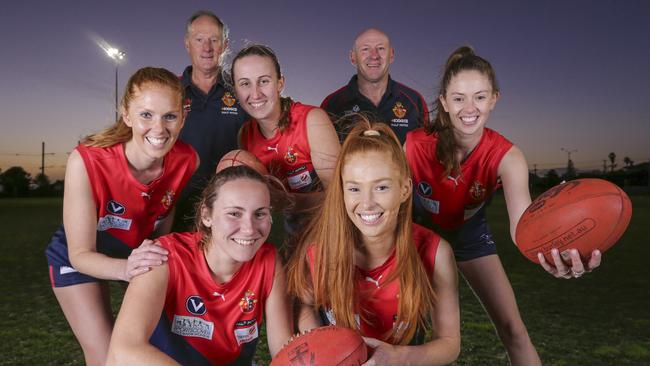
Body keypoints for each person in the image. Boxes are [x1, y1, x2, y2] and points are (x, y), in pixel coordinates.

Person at [405, 46, 603, 365]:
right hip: (419, 234)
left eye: (480, 97)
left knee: (514, 330)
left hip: (469, 235)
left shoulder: (508, 156)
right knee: (407, 331)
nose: (470, 108)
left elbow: (523, 228)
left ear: (495, 98)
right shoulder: (415, 144)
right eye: (459, 98)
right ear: (444, 101)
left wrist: (558, 251)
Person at [44, 67, 198, 365]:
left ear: (183, 118)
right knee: (105, 357)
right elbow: (79, 254)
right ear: (126, 114)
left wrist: (155, 269)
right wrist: (127, 269)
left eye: (170, 116)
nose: (159, 128)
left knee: (163, 347)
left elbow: (162, 231)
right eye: (146, 115)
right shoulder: (87, 160)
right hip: (79, 258)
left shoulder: (187, 159)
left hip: (134, 256)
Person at [288, 121, 460, 366]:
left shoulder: (434, 252)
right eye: (355, 188)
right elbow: (304, 303)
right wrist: (318, 343)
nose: (367, 203)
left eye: (381, 187)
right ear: (343, 192)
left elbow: (450, 342)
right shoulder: (319, 251)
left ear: (404, 189)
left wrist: (397, 358)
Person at [107, 165, 292, 365]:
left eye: (260, 214)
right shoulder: (163, 257)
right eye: (234, 214)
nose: (249, 229)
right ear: (207, 215)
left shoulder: (269, 262)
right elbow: (122, 352)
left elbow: (283, 351)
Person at [232, 44, 340, 234]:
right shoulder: (246, 135)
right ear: (236, 90)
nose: (255, 94)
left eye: (264, 81)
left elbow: (342, 195)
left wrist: (289, 201)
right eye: (245, 83)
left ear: (280, 83)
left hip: (331, 231)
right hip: (290, 233)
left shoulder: (312, 120)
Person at [174, 10, 249, 230]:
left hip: (230, 205)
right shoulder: (171, 90)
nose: (207, 48)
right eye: (199, 40)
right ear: (188, 44)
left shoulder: (241, 89)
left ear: (224, 45)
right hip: (176, 203)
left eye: (214, 40)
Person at [321, 28, 428, 144]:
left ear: (391, 55)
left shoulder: (414, 101)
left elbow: (425, 153)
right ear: (353, 57)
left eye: (381, 48)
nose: (374, 56)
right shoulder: (332, 105)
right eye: (365, 49)